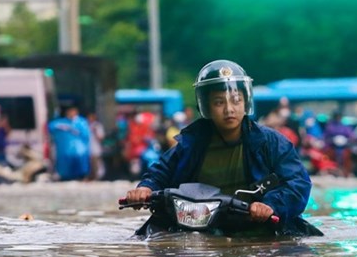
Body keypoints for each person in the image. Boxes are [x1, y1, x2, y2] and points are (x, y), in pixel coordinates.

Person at [124, 60, 322, 237]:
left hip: (257, 228)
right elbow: (161, 171)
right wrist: (144, 188)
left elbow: (298, 182)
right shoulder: (191, 142)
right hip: (199, 228)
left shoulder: (271, 142)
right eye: (219, 102)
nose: (229, 109)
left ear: (246, 103)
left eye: (236, 100)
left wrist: (270, 205)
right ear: (207, 106)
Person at [49, 105, 91, 181]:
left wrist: (72, 129)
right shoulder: (60, 122)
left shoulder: (81, 122)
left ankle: (81, 178)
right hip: (65, 151)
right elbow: (51, 127)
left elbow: (86, 135)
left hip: (79, 151)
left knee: (80, 167)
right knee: (66, 169)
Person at [86, 111, 106, 180]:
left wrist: (95, 131)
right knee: (90, 164)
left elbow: (101, 137)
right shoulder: (86, 125)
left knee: (96, 163)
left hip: (96, 147)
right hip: (88, 148)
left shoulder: (98, 125)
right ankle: (91, 176)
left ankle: (97, 177)